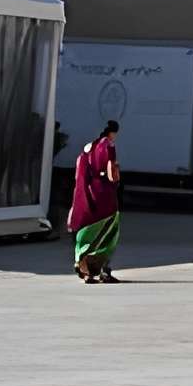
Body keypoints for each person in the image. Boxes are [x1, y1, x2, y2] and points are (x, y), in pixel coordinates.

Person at [67, 118, 124, 284]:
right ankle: (103, 270)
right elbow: (110, 167)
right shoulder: (108, 145)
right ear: (112, 133)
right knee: (108, 230)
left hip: (88, 190)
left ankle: (85, 269)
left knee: (87, 228)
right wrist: (115, 181)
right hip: (104, 192)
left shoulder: (88, 147)